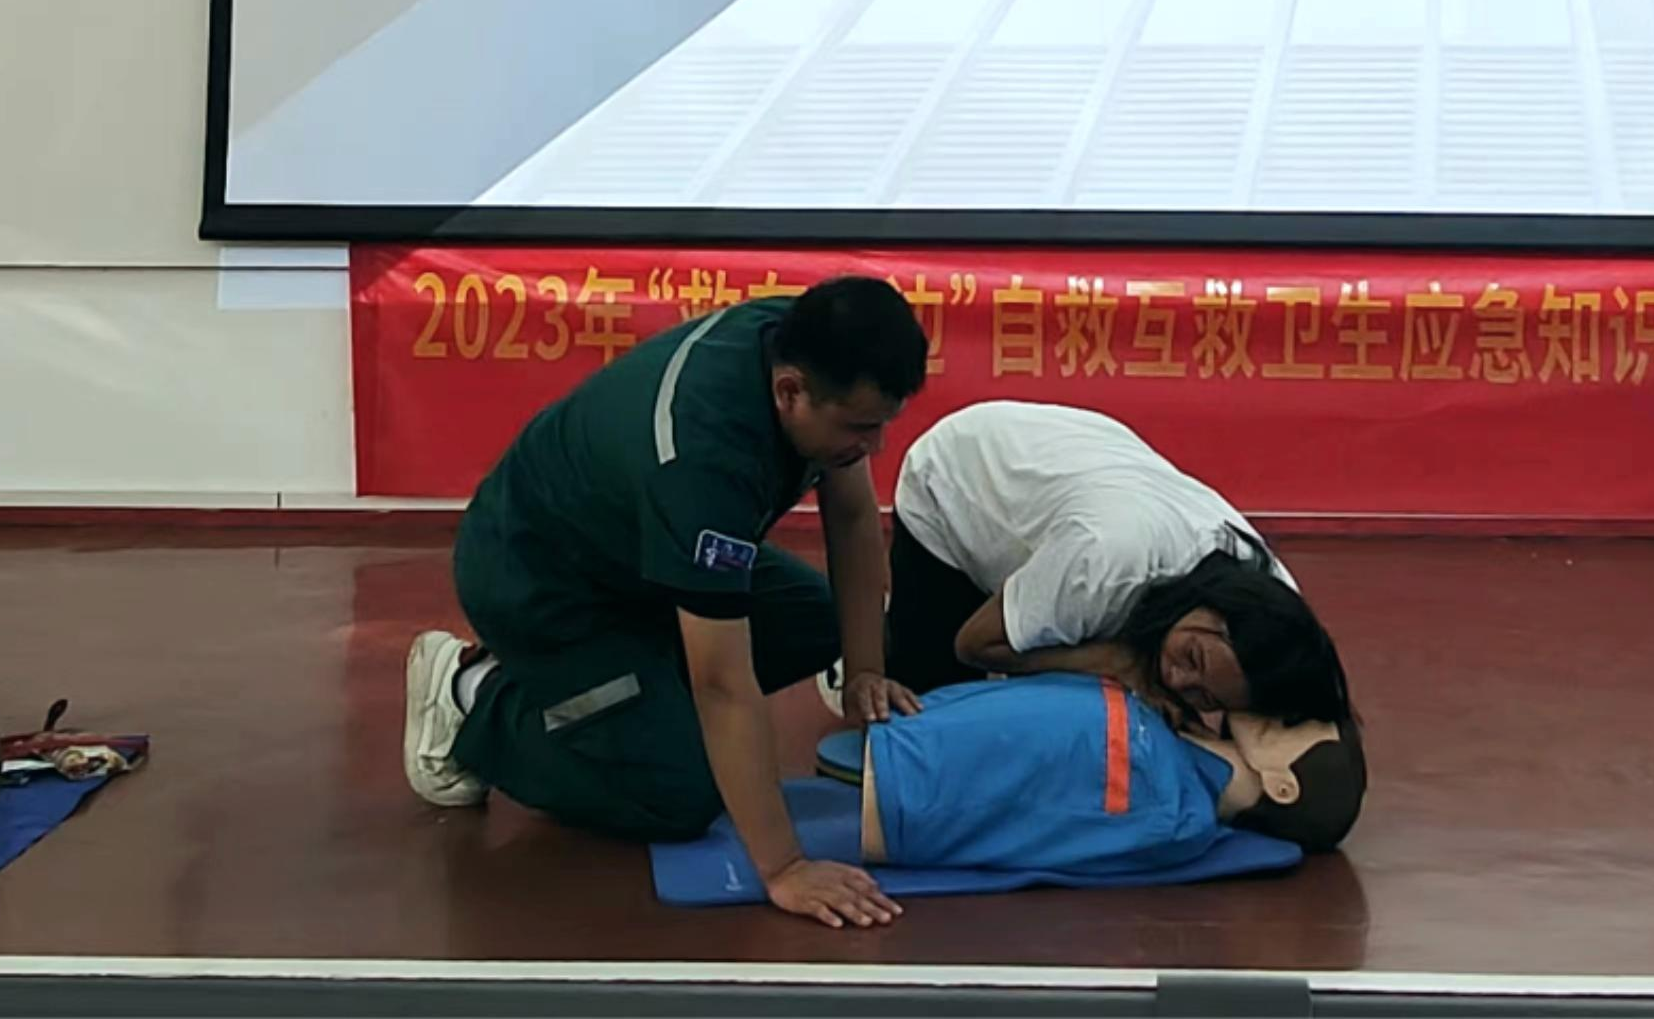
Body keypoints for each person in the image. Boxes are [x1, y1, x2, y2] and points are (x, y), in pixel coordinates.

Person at [401, 276, 931, 928]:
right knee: (678, 792)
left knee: (821, 620)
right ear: (790, 392)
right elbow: (721, 684)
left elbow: (851, 517)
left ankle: (632, 704)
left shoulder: (812, 344)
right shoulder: (705, 457)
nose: (874, 447)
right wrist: (784, 867)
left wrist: (865, 669)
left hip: (640, 548)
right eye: (860, 428)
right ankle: (472, 697)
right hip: (541, 582)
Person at [886, 401, 1349, 732]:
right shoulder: (1104, 560)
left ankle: (1036, 605)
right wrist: (1118, 664)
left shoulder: (1277, 607)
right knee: (931, 718)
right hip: (963, 475)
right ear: (1213, 607)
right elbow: (975, 644)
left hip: (1084, 479)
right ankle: (886, 631)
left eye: (1205, 697)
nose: (1178, 680)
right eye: (1192, 658)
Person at [824, 673, 1362, 874]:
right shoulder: (1178, 729)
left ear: (1282, 786)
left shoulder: (1178, 820)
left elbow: (1052, 838)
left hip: (915, 789)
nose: (1280, 710)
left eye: (1295, 726)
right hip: (918, 735)